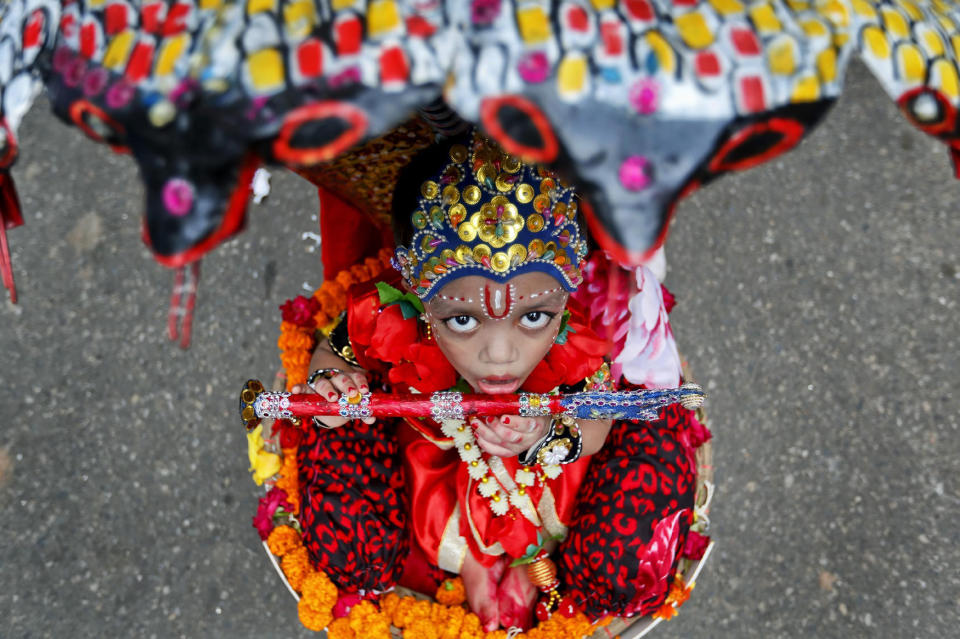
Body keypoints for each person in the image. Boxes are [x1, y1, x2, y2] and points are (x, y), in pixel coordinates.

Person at [289, 131, 702, 631]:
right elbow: (332, 351)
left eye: (533, 318)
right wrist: (333, 384)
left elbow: (597, 428)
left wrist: (549, 434)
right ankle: (473, 563)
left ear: (562, 293)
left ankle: (528, 566)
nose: (501, 355)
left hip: (547, 482)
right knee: (363, 547)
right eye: (462, 320)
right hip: (436, 475)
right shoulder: (393, 314)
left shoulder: (572, 336)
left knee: (611, 555)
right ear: (419, 292)